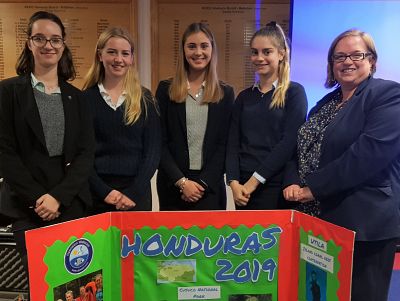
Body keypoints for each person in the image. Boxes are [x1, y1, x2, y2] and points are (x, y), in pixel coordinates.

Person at [283, 29, 400, 301]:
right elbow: (300, 147)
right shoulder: (326, 103)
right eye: (339, 57)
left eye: (357, 55)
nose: (347, 62)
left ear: (372, 60)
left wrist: (312, 188)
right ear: (331, 64)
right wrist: (292, 180)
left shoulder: (388, 95)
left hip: (364, 225)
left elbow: (368, 154)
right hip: (321, 220)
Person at [0, 10, 94, 279]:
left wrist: (58, 198)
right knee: (41, 284)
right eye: (39, 38)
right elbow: (4, 153)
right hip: (27, 207)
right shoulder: (7, 93)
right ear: (29, 43)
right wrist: (40, 200)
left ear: (63, 45)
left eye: (55, 39)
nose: (48, 45)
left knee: (74, 287)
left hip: (70, 205)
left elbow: (85, 154)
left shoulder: (78, 98)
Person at [225, 22, 307, 210]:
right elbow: (232, 143)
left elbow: (288, 143)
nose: (259, 58)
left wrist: (254, 181)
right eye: (254, 52)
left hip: (275, 186)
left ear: (281, 53)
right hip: (243, 191)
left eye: (266, 52)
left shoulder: (294, 93)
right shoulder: (244, 97)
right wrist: (234, 182)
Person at [156, 22, 234, 210]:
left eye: (204, 46)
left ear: (212, 49)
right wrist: (182, 182)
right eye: (191, 46)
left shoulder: (226, 93)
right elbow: (159, 141)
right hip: (173, 186)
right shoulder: (165, 89)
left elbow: (225, 144)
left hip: (209, 188)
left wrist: (203, 183)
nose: (198, 52)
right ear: (183, 50)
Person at [82, 27, 160, 213]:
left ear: (131, 59)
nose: (119, 59)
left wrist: (133, 192)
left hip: (136, 195)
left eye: (125, 53)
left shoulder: (145, 98)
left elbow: (153, 152)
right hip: (96, 195)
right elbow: (80, 153)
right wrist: (104, 191)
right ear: (100, 55)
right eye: (112, 52)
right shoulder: (84, 99)